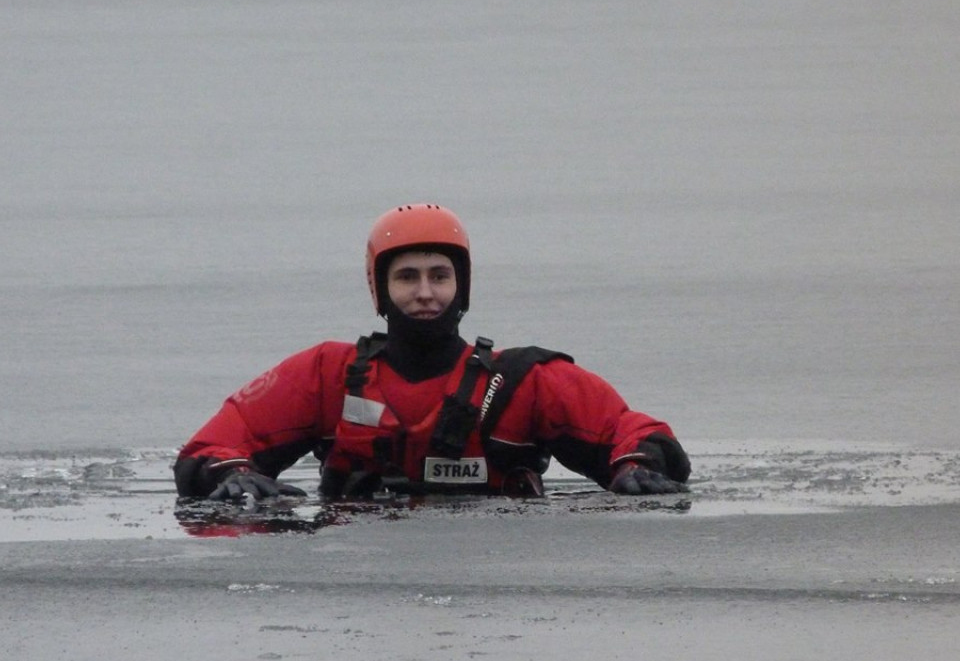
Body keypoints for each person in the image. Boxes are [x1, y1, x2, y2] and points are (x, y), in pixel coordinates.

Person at [174, 203, 691, 501]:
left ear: (461, 287)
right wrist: (232, 474)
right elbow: (214, 443)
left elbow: (631, 430)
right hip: (362, 574)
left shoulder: (520, 381)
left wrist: (635, 463)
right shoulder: (327, 374)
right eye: (407, 278)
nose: (425, 293)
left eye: (440, 276)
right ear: (379, 288)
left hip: (491, 581)